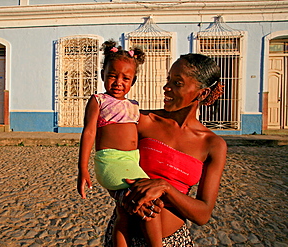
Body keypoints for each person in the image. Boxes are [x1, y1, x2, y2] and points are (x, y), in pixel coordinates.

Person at [104, 53, 227, 246]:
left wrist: (166, 187)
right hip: (125, 237)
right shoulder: (142, 121)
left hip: (174, 241)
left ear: (201, 93)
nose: (166, 87)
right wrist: (123, 196)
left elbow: (203, 214)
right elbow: (108, 160)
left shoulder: (213, 145)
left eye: (177, 83)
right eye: (168, 79)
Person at [77, 40, 163, 247]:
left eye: (126, 78)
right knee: (147, 202)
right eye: (113, 76)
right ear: (103, 76)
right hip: (110, 162)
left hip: (131, 162)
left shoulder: (133, 106)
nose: (118, 82)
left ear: (133, 81)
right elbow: (89, 133)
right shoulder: (98, 100)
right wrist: (83, 169)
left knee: (124, 213)